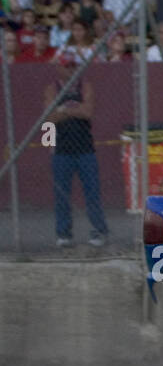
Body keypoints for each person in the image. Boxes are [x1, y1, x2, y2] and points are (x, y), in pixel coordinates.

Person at [45, 54, 107, 246]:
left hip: (85, 147)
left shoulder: (85, 86)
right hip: (61, 149)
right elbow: (49, 118)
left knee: (92, 192)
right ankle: (64, 233)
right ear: (60, 68)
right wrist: (73, 110)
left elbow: (87, 112)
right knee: (62, 193)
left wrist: (63, 110)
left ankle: (98, 230)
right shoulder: (52, 89)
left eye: (74, 66)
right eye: (67, 66)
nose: (71, 70)